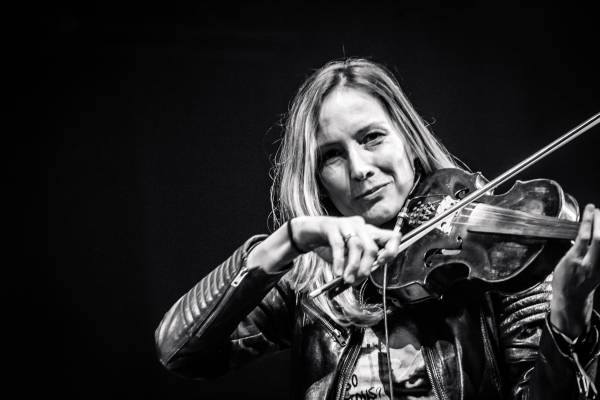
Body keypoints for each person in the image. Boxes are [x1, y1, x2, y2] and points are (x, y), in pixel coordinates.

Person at [155, 58, 600, 399]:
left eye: (372, 137)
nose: (359, 168)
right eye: (331, 155)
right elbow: (179, 351)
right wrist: (287, 240)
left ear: (408, 139)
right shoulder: (309, 279)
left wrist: (568, 318)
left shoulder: (498, 260)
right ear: (317, 179)